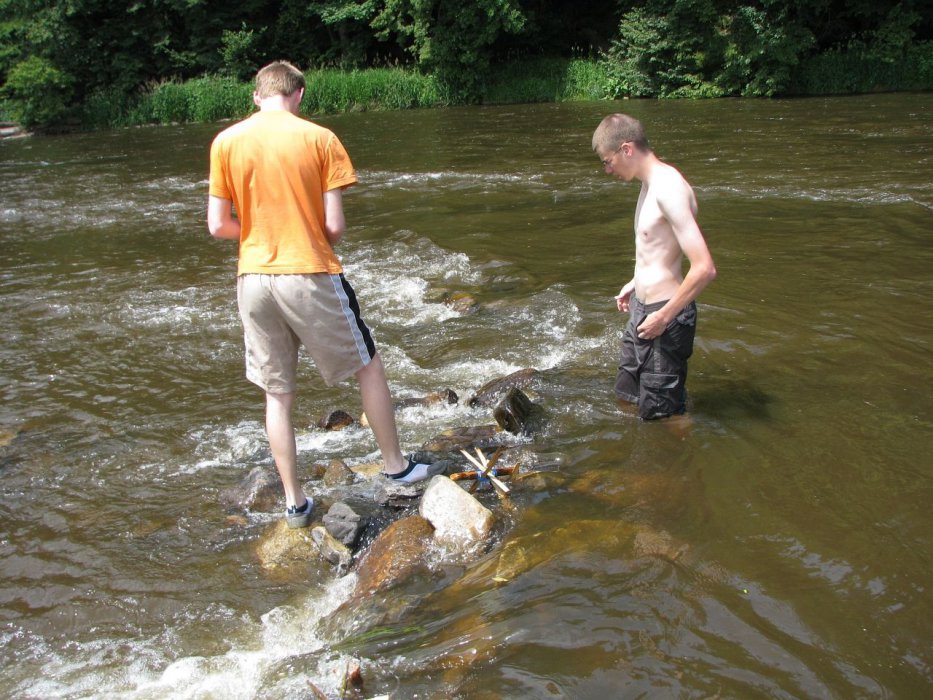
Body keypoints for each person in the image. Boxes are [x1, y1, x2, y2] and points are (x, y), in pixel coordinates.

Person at [207, 60, 441, 528]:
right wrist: (300, 232)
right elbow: (333, 227)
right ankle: (396, 467)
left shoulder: (225, 142)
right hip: (308, 269)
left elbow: (218, 226)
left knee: (277, 393)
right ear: (299, 94)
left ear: (256, 95)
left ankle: (295, 502)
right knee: (367, 364)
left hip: (252, 278)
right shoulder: (320, 138)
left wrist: (258, 234)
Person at [592, 114, 716, 420]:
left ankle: (673, 463)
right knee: (628, 396)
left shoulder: (668, 188)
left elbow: (704, 268)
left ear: (627, 149)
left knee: (664, 417)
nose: (608, 170)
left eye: (609, 161)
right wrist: (635, 282)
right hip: (641, 310)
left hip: (664, 316)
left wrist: (663, 316)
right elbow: (660, 249)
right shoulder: (648, 185)